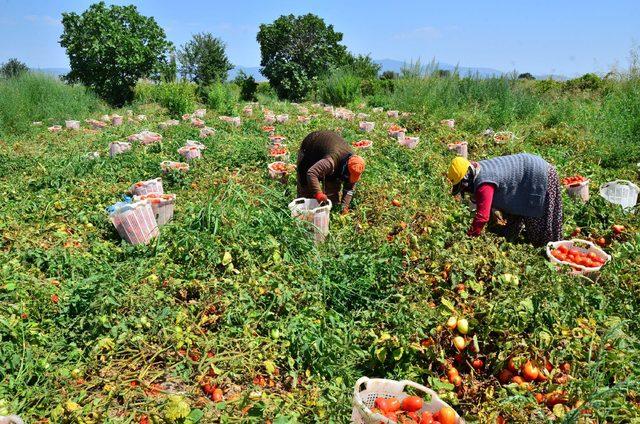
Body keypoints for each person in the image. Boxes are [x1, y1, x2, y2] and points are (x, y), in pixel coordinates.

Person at [447, 153, 563, 246]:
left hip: (538, 175)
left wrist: (469, 238)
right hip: (531, 169)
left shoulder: (484, 183)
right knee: (513, 221)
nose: (465, 191)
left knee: (538, 225)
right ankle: (514, 239)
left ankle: (549, 250)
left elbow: (482, 217)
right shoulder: (478, 168)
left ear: (467, 180)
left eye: (463, 187)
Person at [296, 130, 365, 213]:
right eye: (349, 175)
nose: (350, 178)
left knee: (333, 193)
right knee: (307, 192)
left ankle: (330, 211)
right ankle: (303, 217)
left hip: (329, 152)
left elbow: (349, 189)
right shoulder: (330, 161)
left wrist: (344, 207)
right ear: (346, 168)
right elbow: (312, 173)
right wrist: (318, 194)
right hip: (310, 149)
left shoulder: (354, 164)